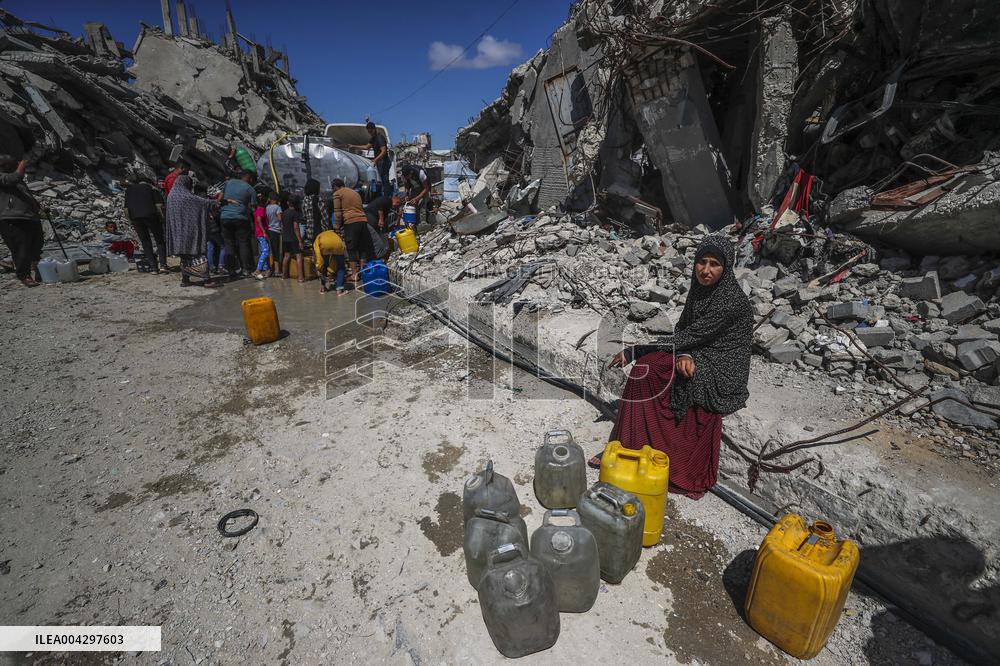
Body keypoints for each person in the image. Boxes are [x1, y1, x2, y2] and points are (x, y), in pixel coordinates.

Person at [601, 235, 753, 499]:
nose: (706, 270)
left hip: (723, 368)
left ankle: (676, 463)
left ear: (726, 268)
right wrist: (684, 353)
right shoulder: (700, 289)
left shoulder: (731, 302)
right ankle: (629, 448)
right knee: (644, 370)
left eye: (715, 264)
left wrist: (635, 350)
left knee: (653, 366)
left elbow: (691, 336)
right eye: (701, 262)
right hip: (698, 349)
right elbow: (686, 330)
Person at [164, 174, 220, 288]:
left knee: (185, 257)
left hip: (178, 233)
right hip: (189, 231)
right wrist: (217, 202)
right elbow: (202, 203)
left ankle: (185, 280)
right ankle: (206, 280)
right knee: (197, 254)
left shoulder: (171, 195)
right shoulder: (185, 196)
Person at [0, 155, 44, 287]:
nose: (16, 162)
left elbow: (24, 194)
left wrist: (36, 204)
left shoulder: (18, 181)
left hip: (29, 217)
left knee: (36, 245)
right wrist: (23, 164)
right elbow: (14, 178)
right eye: (13, 161)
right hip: (12, 218)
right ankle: (24, 275)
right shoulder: (4, 177)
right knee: (21, 249)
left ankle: (39, 271)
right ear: (4, 165)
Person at [124, 173, 168, 274]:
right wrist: (162, 219)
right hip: (151, 216)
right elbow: (159, 206)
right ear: (149, 182)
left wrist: (131, 221)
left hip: (135, 218)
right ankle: (163, 265)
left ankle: (153, 268)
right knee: (159, 240)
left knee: (145, 242)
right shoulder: (152, 189)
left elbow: (126, 209)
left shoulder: (129, 190)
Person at [218, 170, 257, 279]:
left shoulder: (228, 183)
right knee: (243, 243)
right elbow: (254, 208)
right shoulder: (250, 189)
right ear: (249, 178)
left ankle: (231, 270)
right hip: (241, 218)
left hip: (225, 217)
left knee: (228, 244)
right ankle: (245, 269)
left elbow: (219, 199)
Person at [331, 178, 371, 284]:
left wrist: (337, 228)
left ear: (335, 186)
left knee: (351, 248)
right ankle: (363, 273)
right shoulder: (354, 192)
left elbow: (338, 213)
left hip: (351, 222)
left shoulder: (337, 194)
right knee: (362, 248)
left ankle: (354, 275)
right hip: (363, 221)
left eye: (332, 188)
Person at [348, 122, 391, 196]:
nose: (370, 133)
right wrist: (353, 146)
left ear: (374, 129)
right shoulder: (373, 138)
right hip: (379, 161)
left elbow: (383, 151)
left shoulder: (379, 138)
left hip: (384, 161)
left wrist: (376, 159)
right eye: (368, 131)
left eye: (370, 131)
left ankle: (387, 197)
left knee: (384, 180)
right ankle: (382, 195)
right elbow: (366, 147)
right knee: (380, 179)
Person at [314, 228, 347, 295]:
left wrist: (318, 266)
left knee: (324, 265)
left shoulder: (319, 237)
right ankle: (339, 290)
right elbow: (342, 245)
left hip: (324, 244)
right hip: (337, 244)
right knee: (341, 267)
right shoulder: (335, 234)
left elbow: (317, 252)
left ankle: (323, 288)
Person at [364, 193, 396, 261]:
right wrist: (381, 220)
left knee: (378, 233)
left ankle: (381, 254)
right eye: (397, 202)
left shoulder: (389, 206)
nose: (396, 205)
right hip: (370, 215)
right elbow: (380, 206)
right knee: (375, 234)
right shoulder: (387, 200)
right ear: (394, 198)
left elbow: (385, 217)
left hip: (371, 216)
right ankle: (378, 256)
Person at [281, 198, 305, 282]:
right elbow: (296, 227)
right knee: (299, 256)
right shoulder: (295, 214)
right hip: (293, 238)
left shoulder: (284, 213)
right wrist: (300, 240)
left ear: (288, 203)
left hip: (285, 238)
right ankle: (300, 277)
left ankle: (284, 275)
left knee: (286, 256)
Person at [264, 191, 283, 275]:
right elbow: (280, 218)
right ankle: (277, 270)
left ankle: (273, 269)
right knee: (278, 251)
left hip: (270, 230)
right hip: (277, 230)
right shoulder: (277, 207)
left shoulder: (267, 207)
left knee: (273, 250)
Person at [252, 200, 269, 280]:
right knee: (266, 251)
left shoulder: (257, 209)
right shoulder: (261, 209)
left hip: (258, 233)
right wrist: (264, 231)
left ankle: (265, 270)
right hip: (261, 233)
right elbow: (259, 219)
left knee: (263, 250)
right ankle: (258, 270)